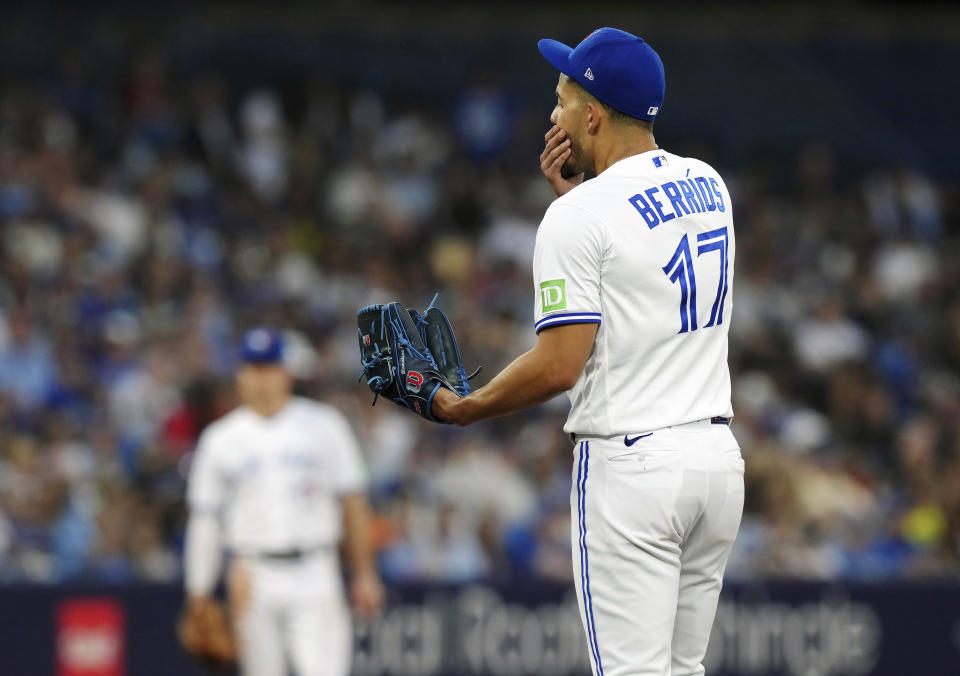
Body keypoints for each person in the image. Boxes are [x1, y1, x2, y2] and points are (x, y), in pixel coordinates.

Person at [432, 27, 744, 675]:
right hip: (714, 461)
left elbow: (559, 365)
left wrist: (466, 408)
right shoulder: (708, 185)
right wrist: (580, 203)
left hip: (634, 468)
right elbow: (641, 266)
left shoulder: (579, 218)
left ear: (594, 116)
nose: (555, 114)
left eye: (563, 99)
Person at [183, 327, 383, 676]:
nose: (261, 378)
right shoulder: (219, 439)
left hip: (315, 568)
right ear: (240, 376)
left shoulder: (325, 425)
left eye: (269, 367)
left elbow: (352, 501)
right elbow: (205, 519)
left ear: (285, 373)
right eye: (253, 368)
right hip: (251, 574)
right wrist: (198, 591)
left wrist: (365, 573)